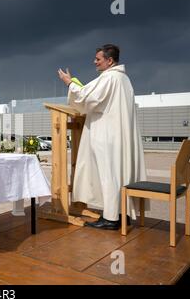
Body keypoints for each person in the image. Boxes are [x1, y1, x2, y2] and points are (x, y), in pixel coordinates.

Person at [57, 44, 146, 230]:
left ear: (110, 60)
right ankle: (121, 214)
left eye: (98, 59)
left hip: (107, 137)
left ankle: (111, 218)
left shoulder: (109, 78)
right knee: (119, 175)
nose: (94, 62)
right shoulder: (124, 79)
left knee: (108, 175)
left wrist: (69, 82)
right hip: (119, 137)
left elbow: (88, 99)